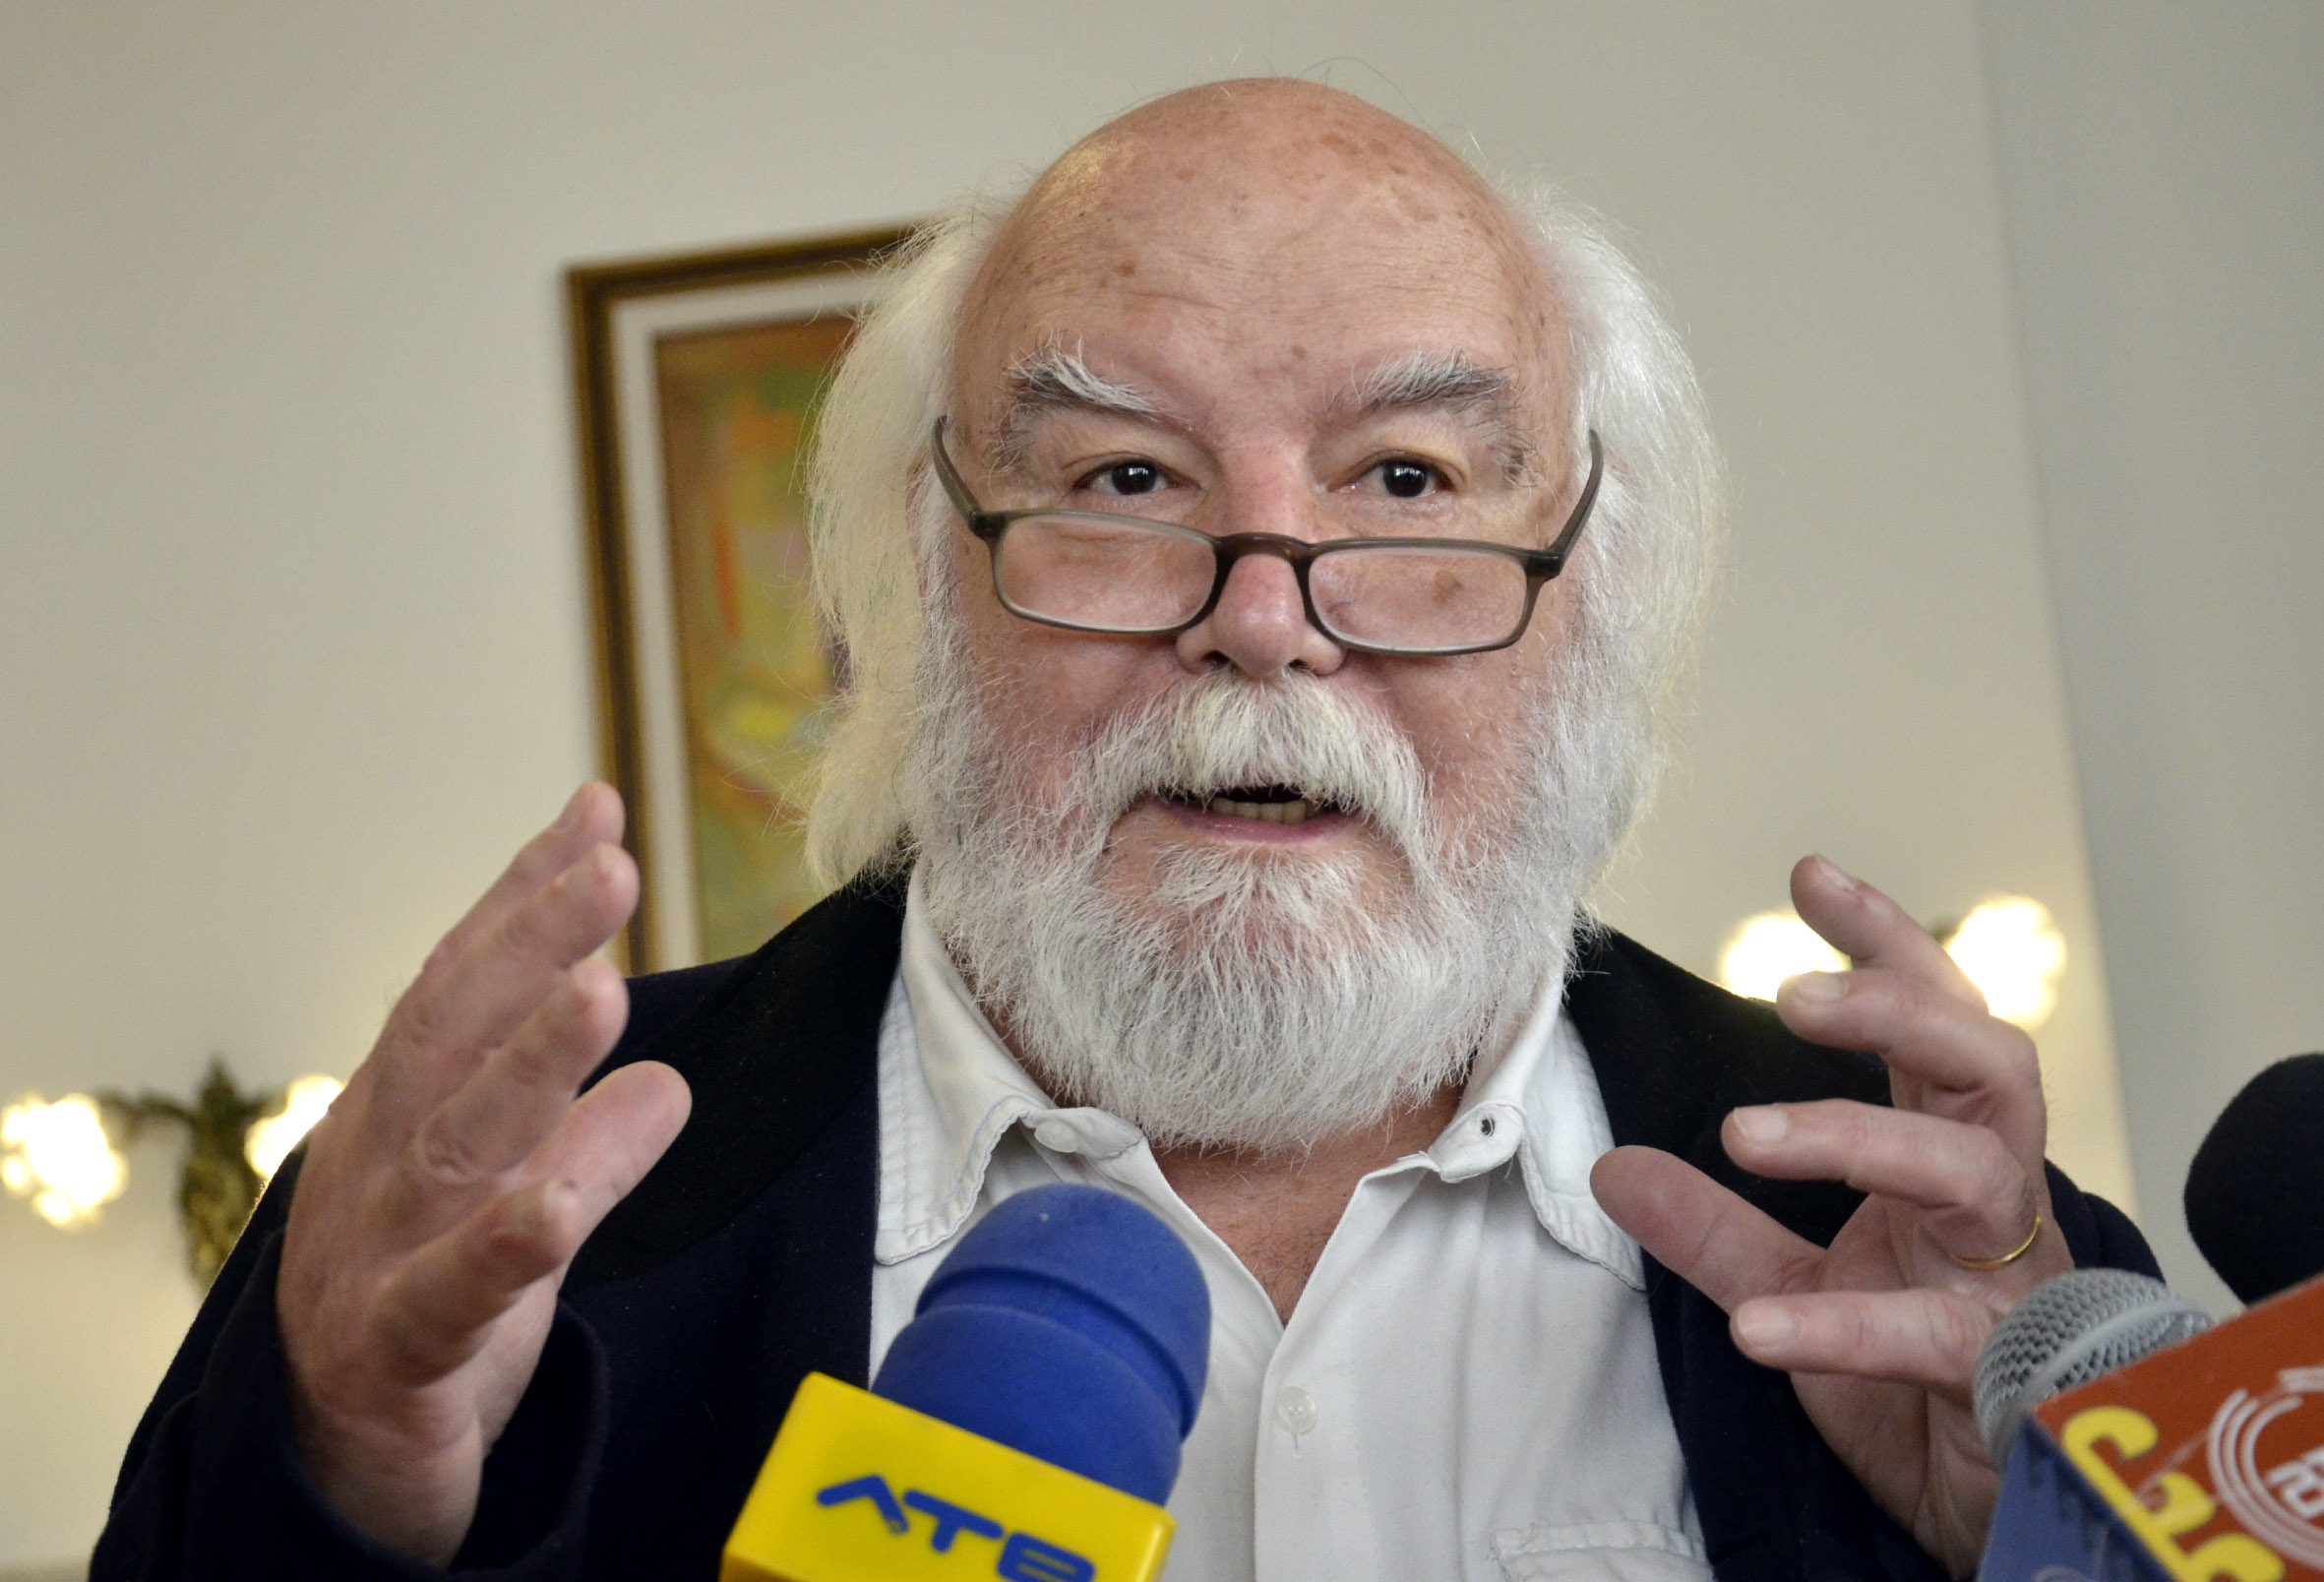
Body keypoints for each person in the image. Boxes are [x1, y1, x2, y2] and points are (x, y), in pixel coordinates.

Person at [94, 81, 2152, 1582]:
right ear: (917, 581)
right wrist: (336, 1494)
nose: (1259, 618)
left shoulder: (1936, 1256)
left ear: (1587, 595)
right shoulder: (509, 1210)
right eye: (1122, 481)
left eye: (1406, 482)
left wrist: (2034, 1556)